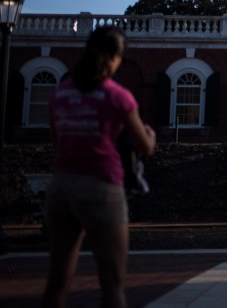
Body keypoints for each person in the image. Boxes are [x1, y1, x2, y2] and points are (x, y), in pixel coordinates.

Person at [43, 25, 157, 308]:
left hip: (61, 187)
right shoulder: (117, 95)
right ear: (116, 56)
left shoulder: (61, 93)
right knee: (112, 283)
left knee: (57, 281)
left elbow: (57, 140)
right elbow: (144, 147)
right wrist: (151, 136)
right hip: (101, 186)